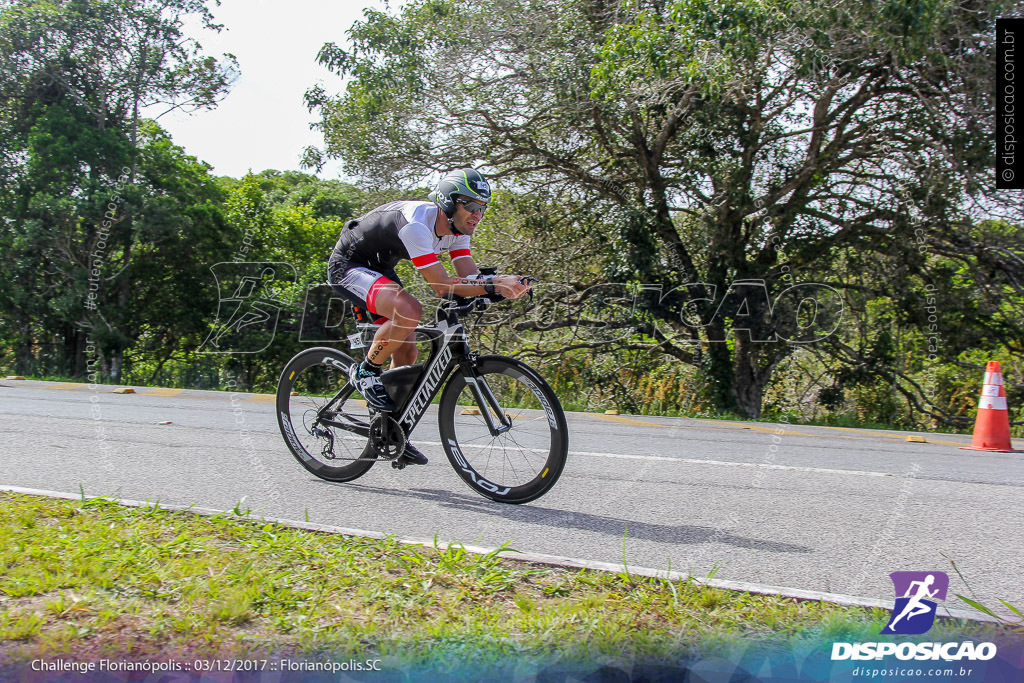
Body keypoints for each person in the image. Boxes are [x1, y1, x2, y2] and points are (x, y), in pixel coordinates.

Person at [327, 169, 533, 464]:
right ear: (449, 203)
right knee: (409, 310)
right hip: (348, 264)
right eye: (471, 206)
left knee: (407, 351)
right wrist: (493, 285)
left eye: (483, 208)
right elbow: (441, 286)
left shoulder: (458, 233)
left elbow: (468, 279)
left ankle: (391, 430)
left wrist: (500, 286)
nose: (477, 214)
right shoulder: (417, 227)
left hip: (379, 267)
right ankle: (366, 372)